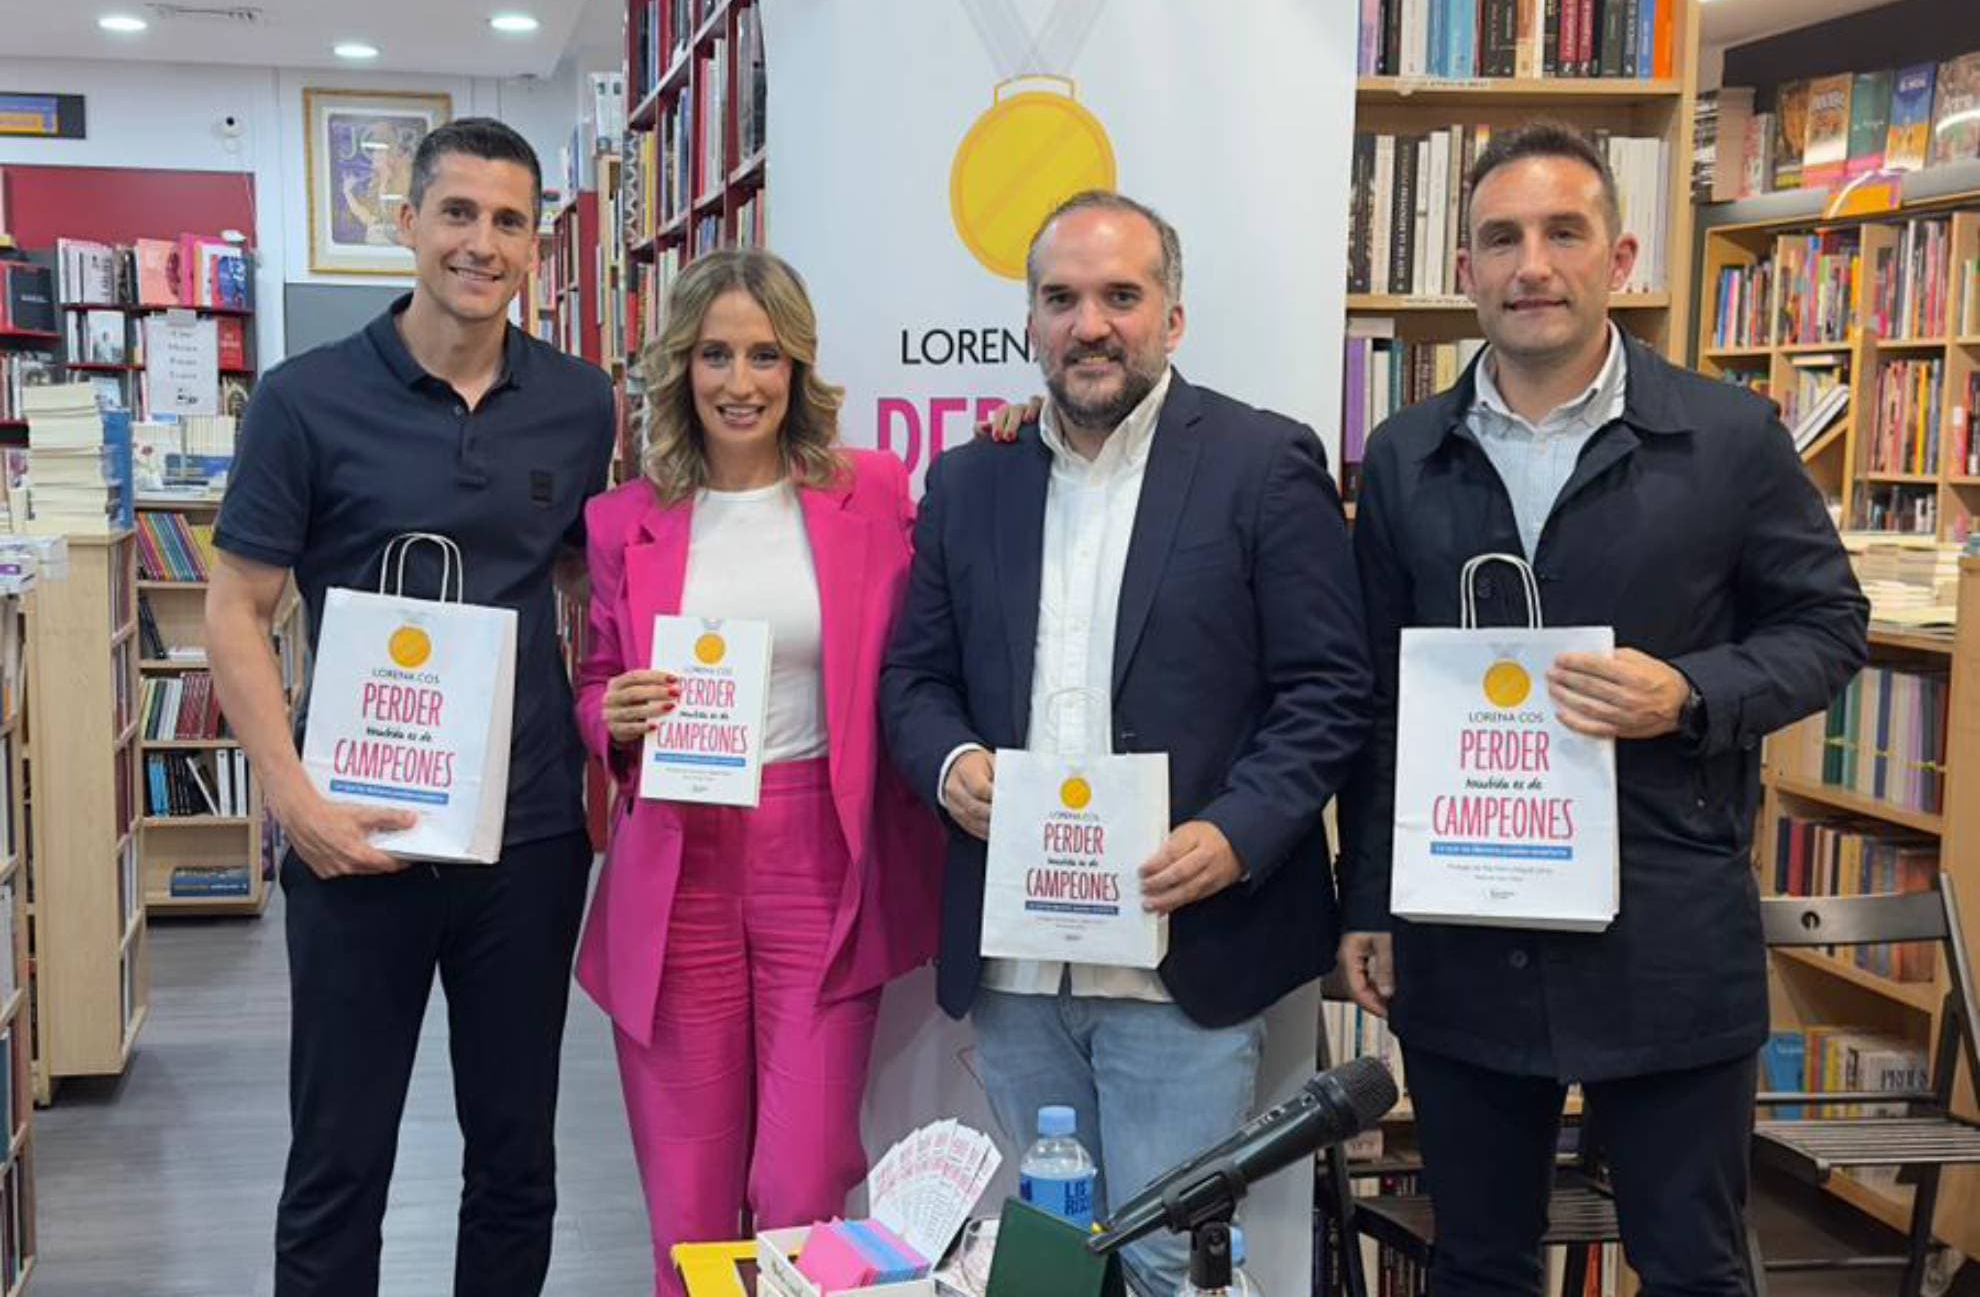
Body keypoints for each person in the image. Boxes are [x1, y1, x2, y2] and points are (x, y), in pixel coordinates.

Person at [1338, 121, 1869, 1297]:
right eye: (1500, 239)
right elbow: (1378, 700)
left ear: (1618, 256)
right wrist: (1369, 897)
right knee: (1479, 1264)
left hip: (1667, 935)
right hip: (1467, 932)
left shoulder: (1727, 437)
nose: (1531, 264)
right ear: (1465, 268)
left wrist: (1691, 692)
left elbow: (1829, 627)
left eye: (1562, 233)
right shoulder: (1407, 452)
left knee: (1692, 1266)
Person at [881, 190, 1373, 1295]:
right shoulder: (971, 480)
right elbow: (915, 679)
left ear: (1174, 317)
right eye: (1061, 299)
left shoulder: (1261, 462)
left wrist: (1238, 835)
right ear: (1030, 321)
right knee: (1056, 1260)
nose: (1089, 324)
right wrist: (953, 765)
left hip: (1184, 950)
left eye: (1120, 296)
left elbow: (1330, 689)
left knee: (1169, 1260)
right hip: (1017, 956)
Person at [207, 118, 615, 1297]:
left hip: (528, 838)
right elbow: (238, 607)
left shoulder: (581, 403)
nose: (480, 244)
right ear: (408, 224)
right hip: (353, 836)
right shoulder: (305, 398)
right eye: (457, 214)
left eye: (507, 222)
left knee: (514, 1163)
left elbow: (591, 579)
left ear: (536, 247)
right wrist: (293, 801)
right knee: (339, 1160)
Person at [572, 247, 944, 1297]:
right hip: (677, 864)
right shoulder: (623, 521)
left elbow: (932, 625)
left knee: (803, 1182)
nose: (741, 382)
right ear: (681, 368)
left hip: (819, 859)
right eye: (716, 355)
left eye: (766, 356)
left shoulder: (869, 493)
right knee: (689, 1203)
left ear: (799, 368)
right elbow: (595, 681)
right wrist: (616, 713)